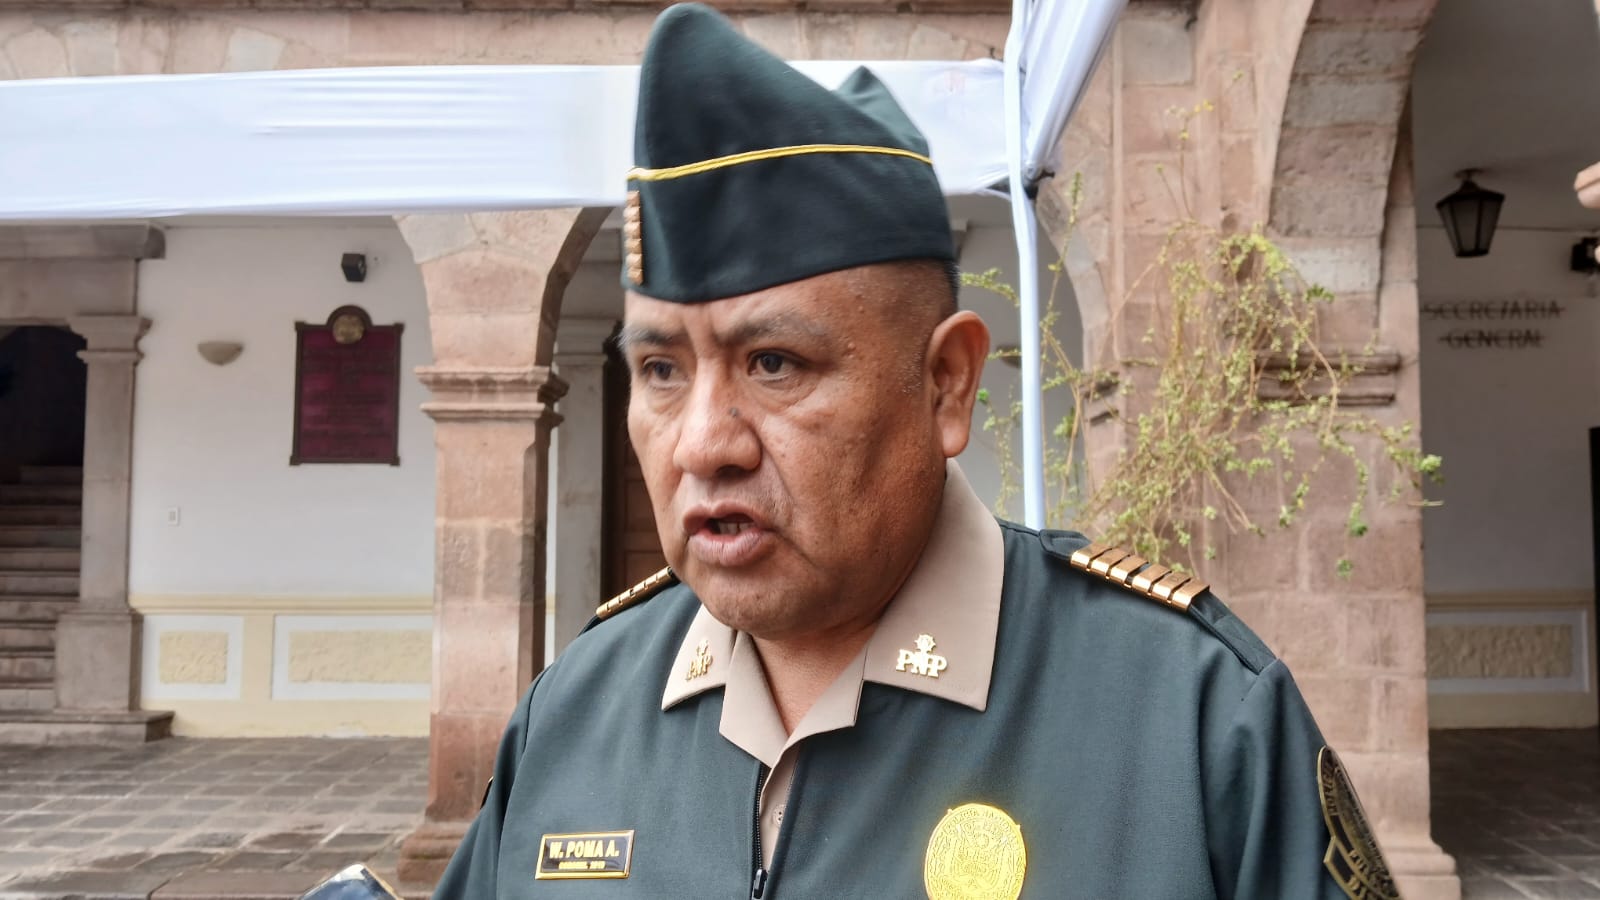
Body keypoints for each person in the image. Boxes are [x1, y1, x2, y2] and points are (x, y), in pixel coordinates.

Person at [433, 5, 1397, 899]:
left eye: (774, 364)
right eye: (660, 370)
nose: (702, 443)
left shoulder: (1192, 721)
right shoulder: (575, 711)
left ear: (947, 385)